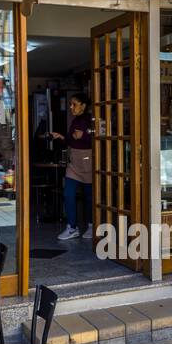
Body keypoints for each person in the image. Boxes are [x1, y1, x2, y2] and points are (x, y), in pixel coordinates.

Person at [52, 92, 94, 240]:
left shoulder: (90, 120)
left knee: (89, 196)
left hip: (88, 160)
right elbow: (71, 141)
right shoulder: (75, 121)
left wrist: (85, 136)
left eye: (74, 104)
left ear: (83, 106)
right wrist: (62, 137)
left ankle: (91, 225)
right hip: (74, 162)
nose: (71, 107)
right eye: (71, 104)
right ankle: (72, 227)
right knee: (68, 194)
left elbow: (99, 136)